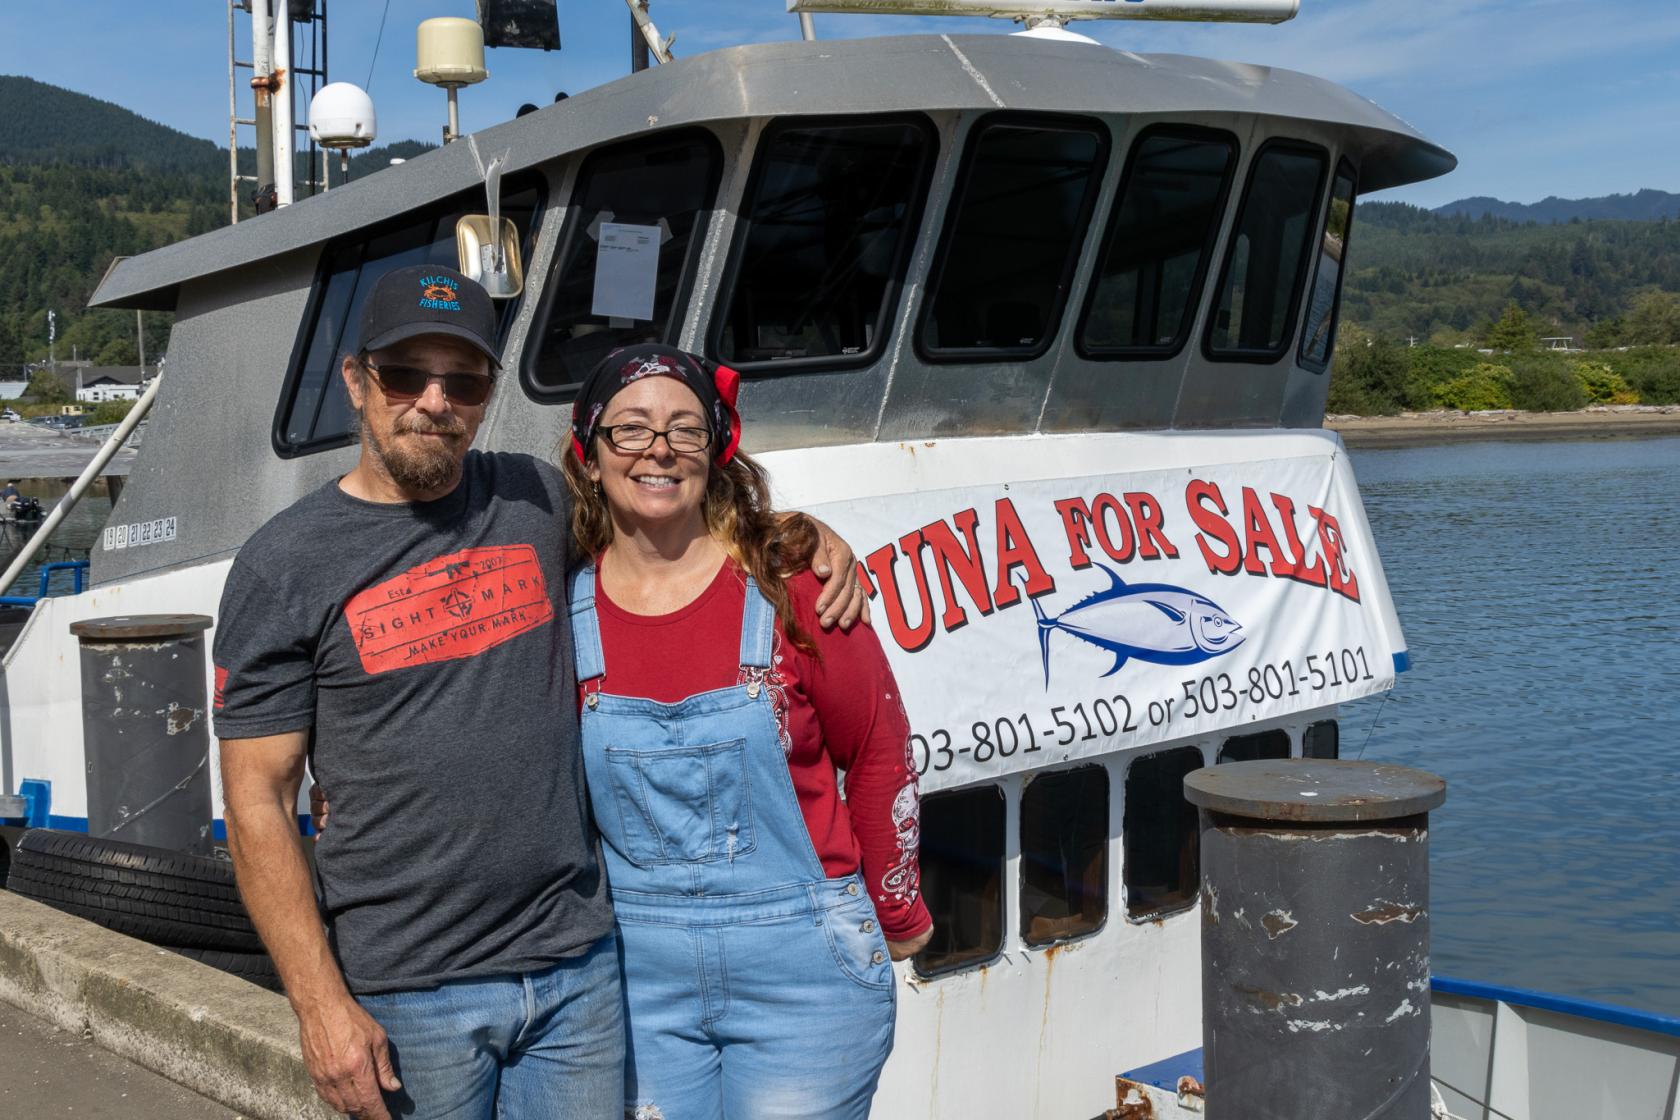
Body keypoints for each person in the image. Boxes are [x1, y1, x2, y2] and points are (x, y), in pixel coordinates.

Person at [213, 266, 865, 1120]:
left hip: (579, 975)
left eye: (466, 378)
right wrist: (320, 1006)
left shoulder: (534, 499)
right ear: (356, 380)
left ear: (487, 394)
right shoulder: (282, 564)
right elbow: (256, 794)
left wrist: (798, 533)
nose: (435, 400)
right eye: (407, 373)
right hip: (411, 993)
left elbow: (658, 511)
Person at [563, 345, 933, 1120]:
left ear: (716, 452)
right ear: (590, 456)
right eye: (629, 430)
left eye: (684, 430)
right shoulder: (562, 616)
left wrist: (897, 914)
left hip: (806, 980)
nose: (658, 450)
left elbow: (879, 752)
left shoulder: (792, 588)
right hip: (636, 983)